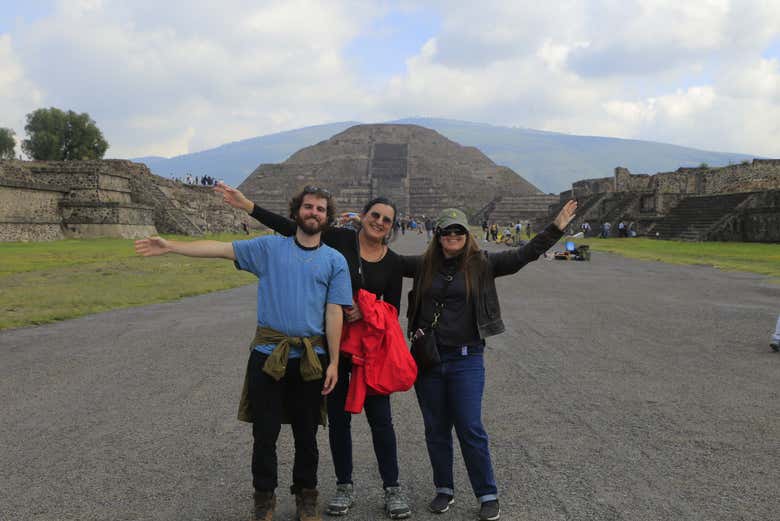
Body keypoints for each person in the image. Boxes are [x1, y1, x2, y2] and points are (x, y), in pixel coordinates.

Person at [135, 186, 352, 521]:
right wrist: (172, 246)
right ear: (296, 212)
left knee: (307, 433)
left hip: (311, 358)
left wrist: (335, 361)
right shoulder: (269, 248)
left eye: (321, 209)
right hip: (268, 354)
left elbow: (334, 312)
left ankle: (306, 496)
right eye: (308, 207)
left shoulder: (334, 260)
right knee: (264, 432)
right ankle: (264, 498)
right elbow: (221, 249)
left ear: (328, 217)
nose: (314, 213)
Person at [214, 183, 413, 519]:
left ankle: (391, 487)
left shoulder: (392, 263)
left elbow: (392, 311)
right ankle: (343, 486)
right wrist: (249, 206)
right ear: (362, 217)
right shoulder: (338, 241)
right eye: (375, 215)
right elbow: (293, 228)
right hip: (331, 347)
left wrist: (368, 310)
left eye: (386, 220)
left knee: (381, 419)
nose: (379, 222)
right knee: (337, 422)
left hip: (369, 352)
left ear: (392, 227)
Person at [402, 201, 577, 521]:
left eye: (458, 231)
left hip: (466, 358)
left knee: (470, 427)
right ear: (438, 235)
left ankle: (487, 493)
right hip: (429, 361)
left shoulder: (482, 264)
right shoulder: (423, 265)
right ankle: (444, 489)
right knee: (435, 428)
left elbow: (525, 254)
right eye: (446, 231)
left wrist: (557, 228)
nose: (452, 235)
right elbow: (382, 262)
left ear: (466, 235)